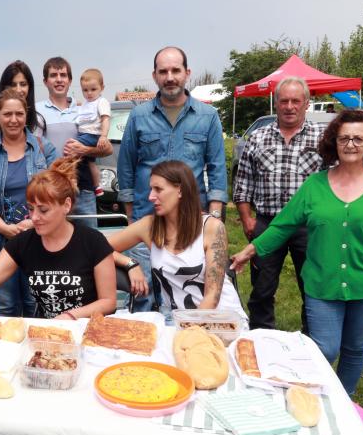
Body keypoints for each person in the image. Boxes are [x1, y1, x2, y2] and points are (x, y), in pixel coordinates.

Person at [230, 109, 363, 396]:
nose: (351, 145)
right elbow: (283, 225)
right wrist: (249, 251)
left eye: (358, 139)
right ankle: (310, 390)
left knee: (354, 347)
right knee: (324, 348)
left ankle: (343, 399)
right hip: (321, 283)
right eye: (344, 138)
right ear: (334, 143)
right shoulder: (315, 185)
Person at [0, 156, 116, 319]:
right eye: (31, 209)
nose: (34, 217)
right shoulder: (23, 243)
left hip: (88, 331)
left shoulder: (92, 241)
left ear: (66, 205)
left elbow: (108, 302)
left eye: (43, 210)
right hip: (47, 333)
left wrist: (71, 316)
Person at [117, 46, 227, 311]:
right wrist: (132, 214)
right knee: (143, 294)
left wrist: (214, 217)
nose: (170, 77)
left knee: (189, 296)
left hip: (191, 225)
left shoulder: (207, 117)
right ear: (154, 76)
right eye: (163, 71)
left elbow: (217, 168)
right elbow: (126, 167)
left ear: (187, 73)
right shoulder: (139, 116)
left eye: (175, 70)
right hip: (148, 219)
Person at [232, 76, 325, 332]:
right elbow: (243, 182)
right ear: (276, 103)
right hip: (267, 222)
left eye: (296, 101)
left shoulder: (323, 137)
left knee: (312, 286)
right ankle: (261, 337)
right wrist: (247, 218)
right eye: (284, 101)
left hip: (309, 226)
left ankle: (313, 339)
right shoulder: (258, 137)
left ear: (307, 103)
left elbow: (334, 181)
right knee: (261, 287)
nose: (289, 106)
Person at [109, 160, 246, 321]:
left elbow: (212, 298)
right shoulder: (149, 226)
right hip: (180, 322)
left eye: (158, 189)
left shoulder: (211, 228)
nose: (151, 197)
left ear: (180, 190)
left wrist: (187, 332)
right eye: (151, 189)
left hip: (221, 320)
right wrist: (130, 263)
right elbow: (96, 247)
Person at [0, 88, 57, 316]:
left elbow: (58, 191)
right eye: (7, 114)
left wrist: (31, 223)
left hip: (38, 239)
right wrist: (4, 228)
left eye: (19, 114)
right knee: (5, 306)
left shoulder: (44, 148)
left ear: (26, 115)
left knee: (34, 305)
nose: (13, 120)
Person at [35, 57, 112, 229]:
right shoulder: (36, 111)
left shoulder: (84, 109)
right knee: (55, 243)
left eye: (63, 75)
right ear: (45, 81)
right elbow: (33, 150)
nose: (59, 79)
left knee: (89, 242)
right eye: (53, 75)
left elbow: (107, 150)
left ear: (70, 80)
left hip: (83, 189)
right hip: (51, 189)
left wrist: (84, 150)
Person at [0, 60, 44, 145]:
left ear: (29, 87)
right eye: (13, 85)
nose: (18, 90)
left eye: (23, 84)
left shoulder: (38, 121)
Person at [75, 68, 111, 197]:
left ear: (102, 87)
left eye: (93, 89)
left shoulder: (101, 102)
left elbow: (106, 119)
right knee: (90, 162)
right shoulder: (84, 104)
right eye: (85, 90)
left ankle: (71, 181)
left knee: (70, 149)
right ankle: (97, 186)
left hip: (93, 135)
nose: (89, 93)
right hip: (84, 135)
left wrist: (103, 136)